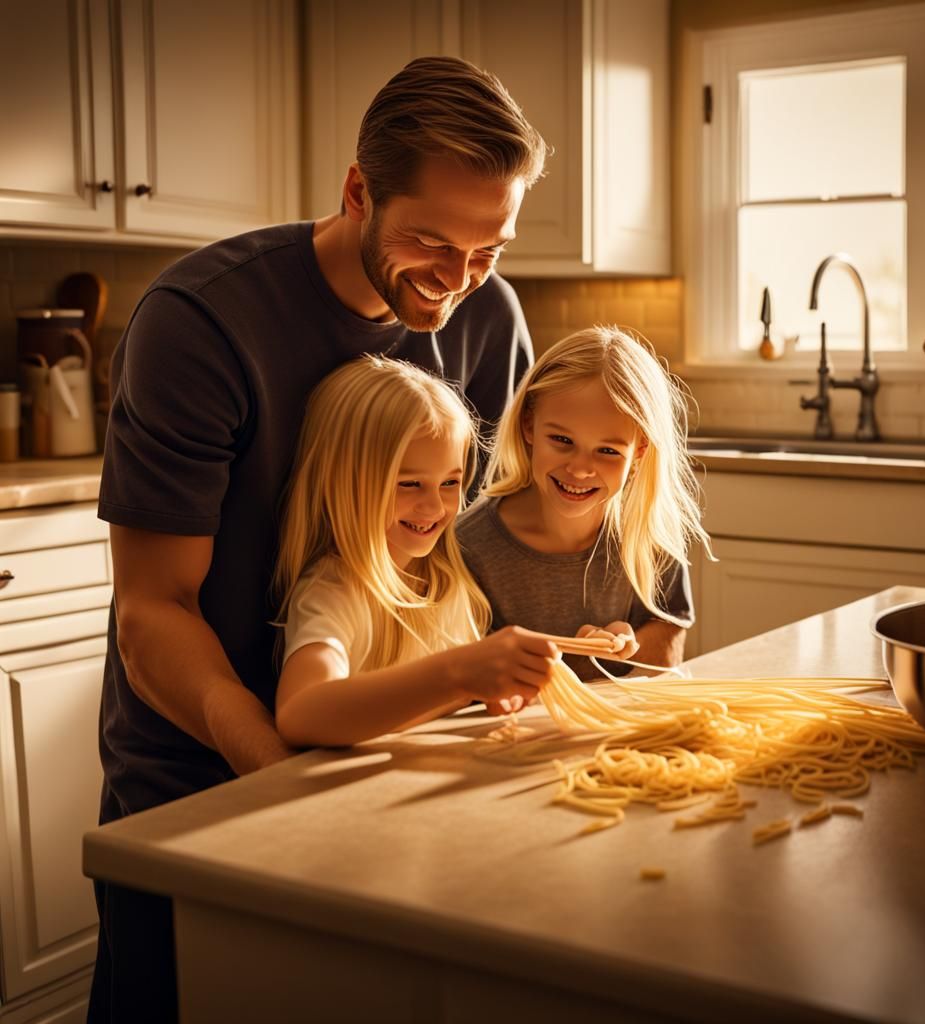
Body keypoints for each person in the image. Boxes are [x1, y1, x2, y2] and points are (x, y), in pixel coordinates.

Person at [89, 56, 546, 1024]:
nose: (456, 282)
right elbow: (152, 611)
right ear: (356, 192)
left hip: (393, 762)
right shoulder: (201, 322)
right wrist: (285, 768)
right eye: (429, 241)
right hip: (200, 767)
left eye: (487, 251)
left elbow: (485, 541)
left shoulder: (487, 318)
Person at [273, 356, 557, 748]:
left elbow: (447, 702)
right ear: (346, 483)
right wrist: (457, 674)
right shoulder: (334, 590)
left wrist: (494, 685)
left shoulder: (446, 581)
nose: (435, 507)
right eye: (409, 484)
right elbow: (299, 714)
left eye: (450, 482)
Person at [457, 326, 713, 680]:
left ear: (639, 451)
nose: (579, 469)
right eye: (561, 439)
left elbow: (669, 634)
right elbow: (470, 679)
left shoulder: (648, 531)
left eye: (607, 451)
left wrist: (627, 647)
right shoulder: (469, 547)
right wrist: (579, 659)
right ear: (529, 425)